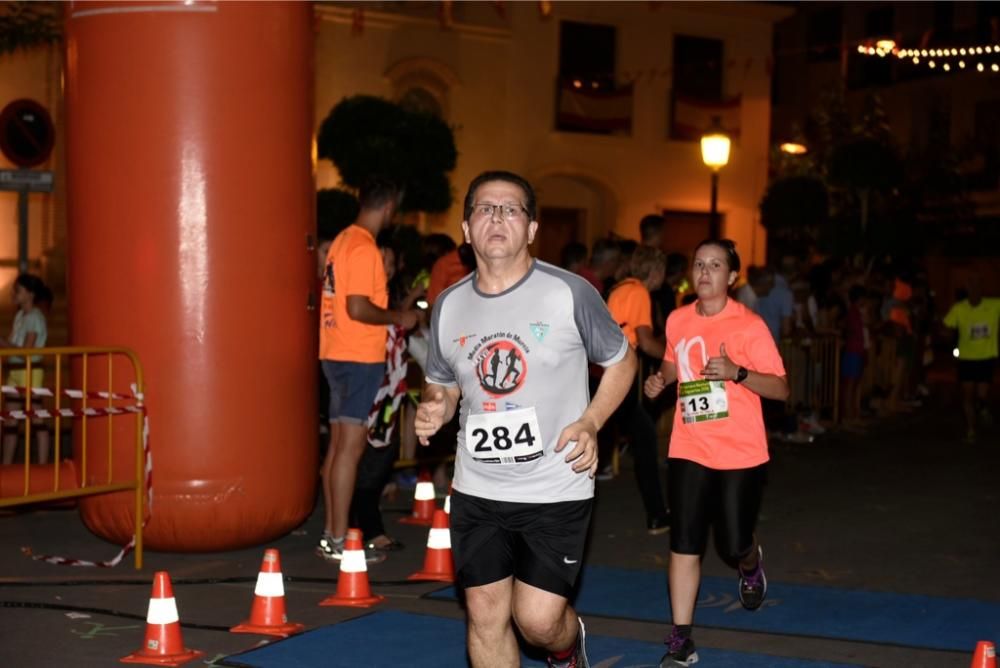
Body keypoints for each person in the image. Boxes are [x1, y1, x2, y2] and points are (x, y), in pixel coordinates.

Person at [414, 170, 636, 668]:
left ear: (532, 229)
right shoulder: (448, 305)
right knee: (485, 616)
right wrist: (436, 404)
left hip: (554, 486)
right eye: (485, 209)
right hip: (478, 487)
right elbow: (444, 381)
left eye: (511, 209)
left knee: (537, 621)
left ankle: (566, 644)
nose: (497, 217)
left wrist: (592, 421)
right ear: (466, 229)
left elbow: (623, 361)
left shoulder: (569, 292)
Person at [643, 239, 789, 667]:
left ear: (731, 277)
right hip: (690, 445)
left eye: (716, 265)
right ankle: (681, 639)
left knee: (732, 540)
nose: (705, 272)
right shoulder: (677, 319)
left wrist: (737, 373)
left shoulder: (748, 325)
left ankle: (749, 562)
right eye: (699, 264)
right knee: (684, 542)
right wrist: (662, 380)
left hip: (740, 450)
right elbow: (676, 361)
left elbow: (781, 387)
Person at [317, 176, 420, 561]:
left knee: (338, 448)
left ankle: (332, 534)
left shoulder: (343, 240)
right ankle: (342, 539)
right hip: (357, 356)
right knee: (350, 450)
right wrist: (401, 316)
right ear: (390, 207)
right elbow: (358, 307)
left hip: (335, 352)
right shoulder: (363, 248)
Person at [605, 245, 671, 534]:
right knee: (644, 442)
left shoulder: (621, 288)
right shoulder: (640, 292)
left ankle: (657, 514)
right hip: (619, 373)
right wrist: (675, 356)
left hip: (605, 371)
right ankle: (657, 515)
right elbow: (645, 341)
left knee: (607, 438)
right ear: (656, 271)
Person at [1, 273, 52, 465]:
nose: (14, 293)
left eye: (18, 290)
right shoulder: (20, 315)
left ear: (30, 294)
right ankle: (6, 466)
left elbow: (26, 351)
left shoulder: (35, 318)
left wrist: (4, 344)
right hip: (15, 370)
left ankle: (42, 464)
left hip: (30, 370)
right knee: (10, 420)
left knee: (36, 418)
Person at [942, 277, 1000, 443]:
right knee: (967, 396)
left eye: (977, 288)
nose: (974, 292)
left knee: (982, 395)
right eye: (970, 289)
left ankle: (983, 407)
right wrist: (945, 333)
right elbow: (947, 325)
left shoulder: (994, 305)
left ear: (981, 290)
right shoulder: (959, 309)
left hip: (986, 358)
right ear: (967, 292)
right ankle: (971, 429)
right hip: (967, 359)